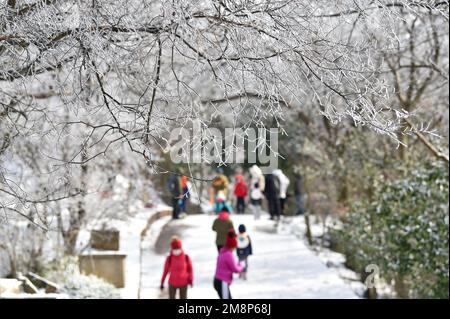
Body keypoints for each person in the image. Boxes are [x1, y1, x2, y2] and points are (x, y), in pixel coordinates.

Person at [213, 230, 244, 299]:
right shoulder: (229, 255)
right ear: (232, 246)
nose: (235, 249)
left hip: (217, 280)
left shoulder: (222, 252)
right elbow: (235, 269)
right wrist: (241, 266)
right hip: (222, 281)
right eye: (234, 247)